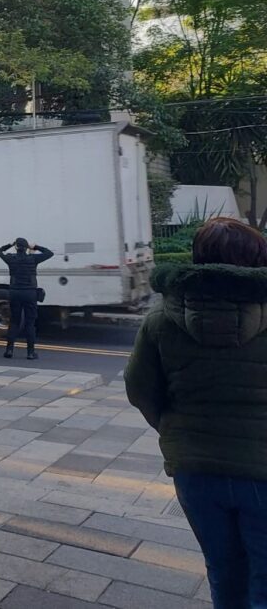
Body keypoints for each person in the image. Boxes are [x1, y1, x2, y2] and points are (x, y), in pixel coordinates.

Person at [124, 218, 267, 608]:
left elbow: (140, 391)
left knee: (223, 570)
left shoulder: (159, 319)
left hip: (195, 470)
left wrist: (174, 430)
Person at [0, 237, 54, 359]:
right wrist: (35, 247)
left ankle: (9, 350)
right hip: (30, 293)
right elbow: (49, 253)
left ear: (16, 247)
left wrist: (10, 244)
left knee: (14, 322)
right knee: (30, 323)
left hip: (15, 292)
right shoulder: (33, 259)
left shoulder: (11, 259)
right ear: (27, 247)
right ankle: (30, 353)